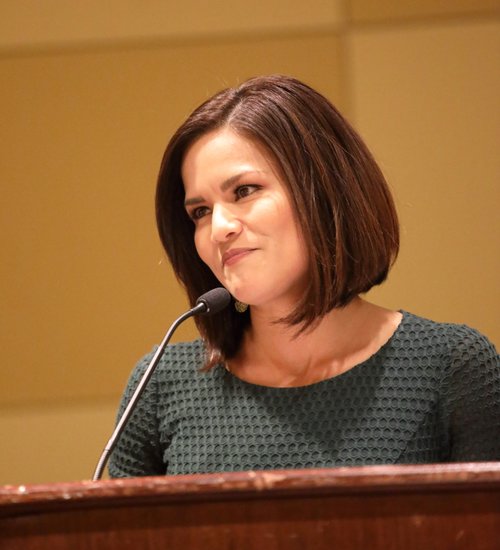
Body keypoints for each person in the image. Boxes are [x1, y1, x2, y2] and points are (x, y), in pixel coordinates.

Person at [108, 75, 499, 477]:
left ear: (325, 191)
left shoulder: (450, 366)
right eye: (200, 211)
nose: (219, 227)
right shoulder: (159, 385)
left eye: (244, 191)